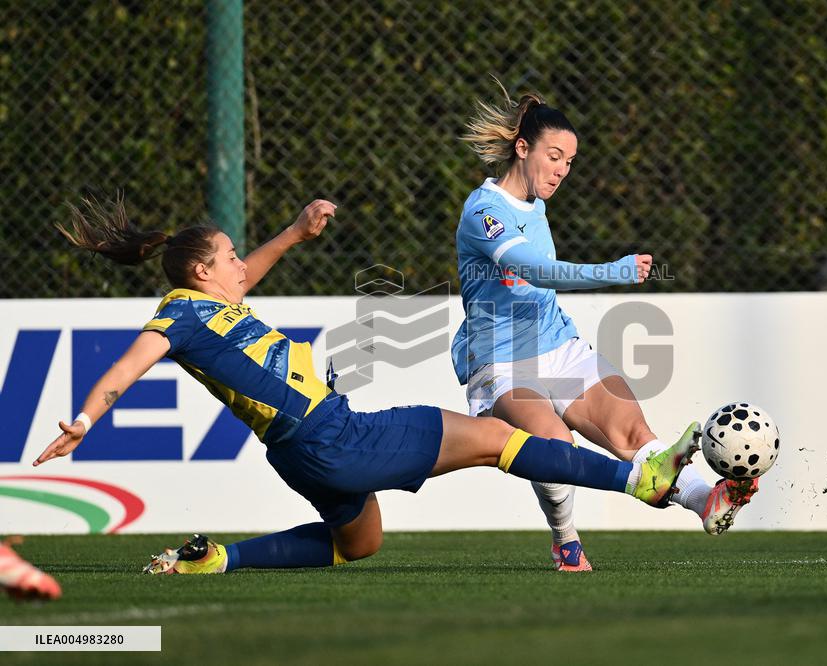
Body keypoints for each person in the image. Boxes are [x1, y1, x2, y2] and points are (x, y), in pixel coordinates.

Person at [33, 197, 701, 575]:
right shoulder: (175, 318)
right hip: (337, 434)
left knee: (359, 543)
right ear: (203, 270)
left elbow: (247, 275)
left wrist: (294, 232)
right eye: (230, 255)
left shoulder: (209, 304)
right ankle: (636, 480)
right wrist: (86, 421)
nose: (241, 263)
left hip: (301, 454)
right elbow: (126, 369)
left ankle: (217, 561)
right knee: (499, 437)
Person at [453, 84, 759, 571]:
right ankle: (565, 539)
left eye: (569, 162)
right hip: (501, 364)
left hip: (560, 347)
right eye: (554, 156)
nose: (562, 170)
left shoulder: (537, 206)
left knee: (634, 431)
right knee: (555, 447)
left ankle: (707, 501)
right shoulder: (483, 212)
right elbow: (536, 271)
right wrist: (612, 272)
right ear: (522, 147)